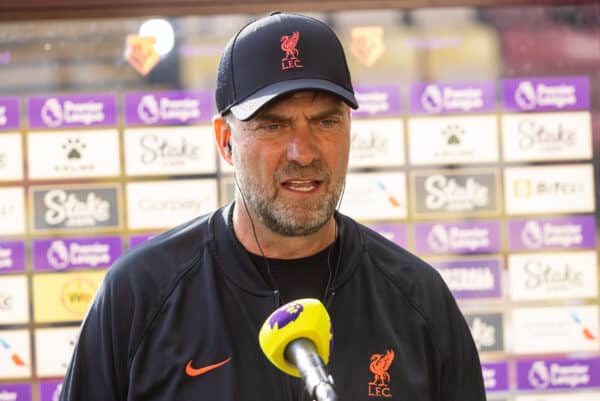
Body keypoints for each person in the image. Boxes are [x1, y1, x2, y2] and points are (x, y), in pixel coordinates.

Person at [60, 11, 486, 401]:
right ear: (226, 141)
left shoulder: (419, 300)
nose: (303, 152)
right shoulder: (139, 294)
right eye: (273, 125)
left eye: (326, 121)